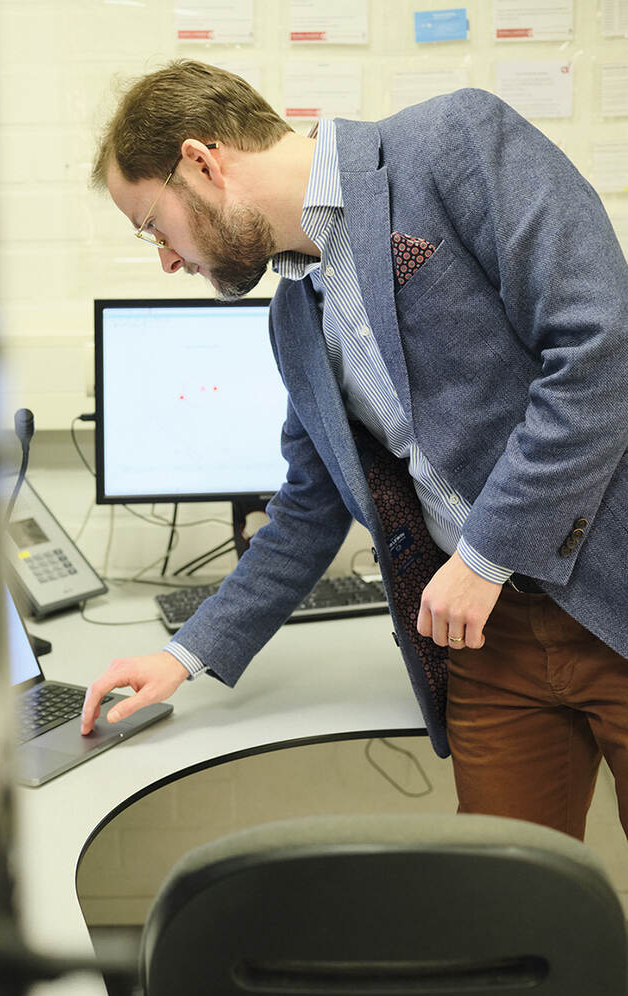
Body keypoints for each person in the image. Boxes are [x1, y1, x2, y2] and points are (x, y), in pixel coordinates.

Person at [81, 59, 628, 841]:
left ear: (202, 162)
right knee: (512, 923)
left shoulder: (452, 143)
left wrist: (482, 556)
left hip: (608, 579)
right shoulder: (293, 320)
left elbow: (602, 350)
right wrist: (184, 653)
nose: (166, 259)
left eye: (153, 226)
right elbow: (308, 510)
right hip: (489, 643)